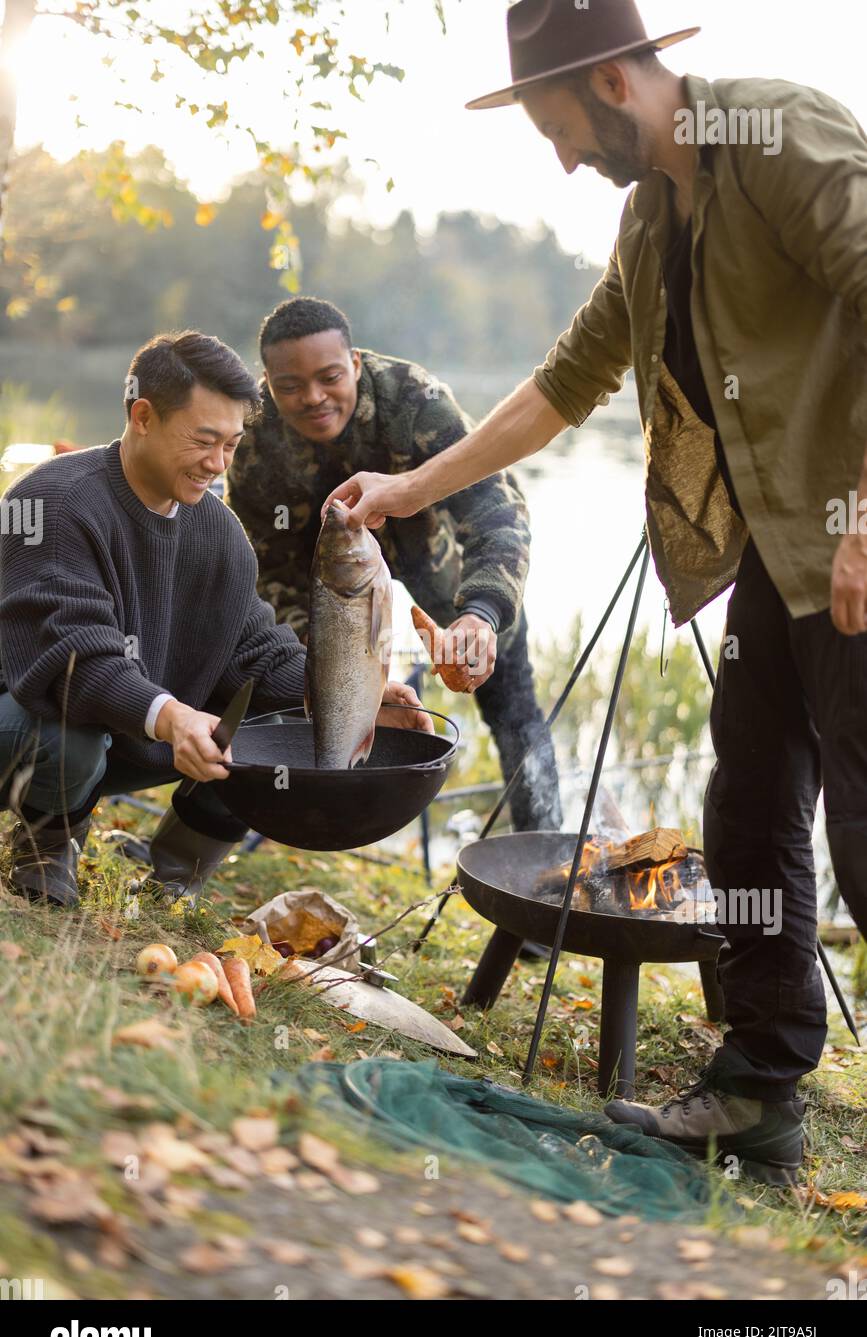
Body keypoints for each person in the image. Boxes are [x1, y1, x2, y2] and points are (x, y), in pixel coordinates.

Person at [321, 0, 867, 1185]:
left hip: (856, 546)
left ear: (614, 83)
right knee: (752, 816)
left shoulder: (773, 136)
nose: (562, 158)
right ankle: (758, 1091)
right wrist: (409, 489)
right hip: (781, 564)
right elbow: (566, 383)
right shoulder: (651, 214)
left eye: (560, 129)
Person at [0, 330, 429, 908]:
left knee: (270, 731)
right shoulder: (52, 502)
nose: (217, 464)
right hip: (29, 728)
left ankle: (174, 876)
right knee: (69, 734)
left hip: (126, 738)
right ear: (143, 416)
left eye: (230, 444)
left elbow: (254, 650)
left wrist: (354, 696)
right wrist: (172, 717)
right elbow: (75, 660)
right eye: (203, 441)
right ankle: (45, 849)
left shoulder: (217, 530)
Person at [226, 295, 561, 834]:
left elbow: (497, 510)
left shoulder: (416, 400)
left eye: (330, 377)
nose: (313, 397)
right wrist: (334, 666)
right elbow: (264, 572)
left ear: (355, 363)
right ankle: (305, 812)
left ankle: (542, 853)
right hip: (331, 586)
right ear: (267, 380)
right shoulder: (253, 439)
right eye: (289, 386)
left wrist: (481, 613)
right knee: (307, 693)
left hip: (442, 563)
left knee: (512, 706)